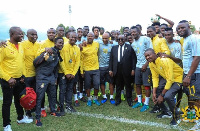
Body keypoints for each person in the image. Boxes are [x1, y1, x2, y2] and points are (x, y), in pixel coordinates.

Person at [0, 26, 33, 131]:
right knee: (7, 103)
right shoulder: (4, 46)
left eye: (22, 33)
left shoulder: (21, 46)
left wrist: (22, 76)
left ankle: (20, 118)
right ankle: (6, 125)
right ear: (12, 35)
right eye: (19, 34)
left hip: (19, 79)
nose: (22, 35)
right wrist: (8, 78)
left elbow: (21, 62)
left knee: (20, 100)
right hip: (8, 81)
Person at [144, 48, 183, 126]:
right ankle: (166, 112)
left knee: (167, 96)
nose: (147, 57)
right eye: (146, 56)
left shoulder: (164, 61)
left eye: (149, 55)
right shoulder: (151, 63)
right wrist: (154, 92)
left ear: (155, 54)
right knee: (156, 92)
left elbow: (170, 79)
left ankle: (176, 116)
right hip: (168, 79)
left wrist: (162, 95)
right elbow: (155, 77)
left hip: (178, 78)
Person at [34, 37, 64, 127]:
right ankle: (37, 118)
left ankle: (53, 111)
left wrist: (54, 77)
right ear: (55, 43)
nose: (61, 44)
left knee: (52, 95)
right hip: (42, 77)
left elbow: (55, 67)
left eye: (62, 43)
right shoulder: (49, 51)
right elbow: (35, 62)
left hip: (51, 77)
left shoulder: (58, 53)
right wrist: (44, 54)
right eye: (59, 43)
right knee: (40, 97)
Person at [176, 20, 200, 130]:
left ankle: (198, 123)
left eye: (182, 28)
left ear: (189, 27)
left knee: (196, 99)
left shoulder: (195, 39)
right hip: (187, 73)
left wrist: (189, 76)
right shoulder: (185, 40)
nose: (180, 30)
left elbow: (197, 58)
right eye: (178, 29)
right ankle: (192, 117)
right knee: (190, 96)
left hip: (195, 74)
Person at [147, 26, 171, 113]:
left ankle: (164, 109)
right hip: (156, 68)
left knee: (160, 89)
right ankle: (158, 107)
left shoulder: (160, 39)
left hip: (163, 68)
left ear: (155, 31)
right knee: (156, 87)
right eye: (147, 32)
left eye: (150, 31)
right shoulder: (152, 40)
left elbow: (167, 52)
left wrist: (159, 56)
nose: (149, 33)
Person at [109, 34, 137, 107]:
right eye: (119, 39)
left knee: (128, 85)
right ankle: (118, 100)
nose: (120, 41)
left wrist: (133, 69)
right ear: (117, 40)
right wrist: (110, 70)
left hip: (127, 69)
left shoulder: (129, 47)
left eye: (122, 39)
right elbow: (111, 60)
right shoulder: (114, 48)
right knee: (118, 85)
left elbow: (133, 59)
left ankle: (129, 99)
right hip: (117, 68)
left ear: (125, 40)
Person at [19, 29, 41, 118]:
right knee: (27, 95)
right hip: (27, 75)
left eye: (36, 34)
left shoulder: (39, 44)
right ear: (27, 35)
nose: (34, 36)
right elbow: (21, 60)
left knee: (35, 93)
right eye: (32, 34)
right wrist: (22, 75)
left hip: (36, 74)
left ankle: (33, 109)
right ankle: (27, 112)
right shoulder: (22, 44)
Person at [131, 26, 153, 112]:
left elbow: (151, 52)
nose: (133, 34)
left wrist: (146, 64)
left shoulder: (145, 39)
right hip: (138, 66)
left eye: (134, 32)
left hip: (146, 67)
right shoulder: (133, 43)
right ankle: (139, 102)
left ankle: (146, 104)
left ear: (139, 31)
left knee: (147, 85)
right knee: (137, 84)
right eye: (131, 32)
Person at [36, 28, 57, 117]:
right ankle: (42, 110)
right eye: (49, 33)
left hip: (52, 72)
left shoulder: (57, 42)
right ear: (47, 34)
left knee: (52, 93)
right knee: (41, 94)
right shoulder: (43, 43)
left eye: (53, 33)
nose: (51, 34)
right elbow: (36, 54)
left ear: (55, 34)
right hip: (43, 73)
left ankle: (52, 109)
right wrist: (45, 49)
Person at [59, 32, 80, 113]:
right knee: (62, 90)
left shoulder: (77, 48)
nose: (73, 39)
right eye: (72, 37)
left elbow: (77, 62)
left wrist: (73, 73)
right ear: (68, 37)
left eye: (75, 37)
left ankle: (68, 105)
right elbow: (61, 61)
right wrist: (66, 73)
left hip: (72, 74)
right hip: (63, 73)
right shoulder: (63, 46)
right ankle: (61, 107)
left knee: (70, 89)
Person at [80, 32, 101, 106]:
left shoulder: (97, 44)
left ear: (93, 37)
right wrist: (82, 71)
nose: (90, 37)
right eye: (89, 36)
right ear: (87, 37)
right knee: (87, 85)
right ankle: (89, 99)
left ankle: (95, 98)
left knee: (97, 84)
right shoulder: (83, 46)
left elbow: (106, 41)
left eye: (91, 36)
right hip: (87, 69)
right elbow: (81, 60)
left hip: (96, 68)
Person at [98, 33, 115, 104]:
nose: (105, 40)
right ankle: (104, 96)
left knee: (111, 82)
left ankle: (111, 97)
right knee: (102, 83)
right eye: (103, 38)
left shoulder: (112, 45)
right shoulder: (98, 44)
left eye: (106, 38)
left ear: (109, 38)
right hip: (101, 67)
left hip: (109, 67)